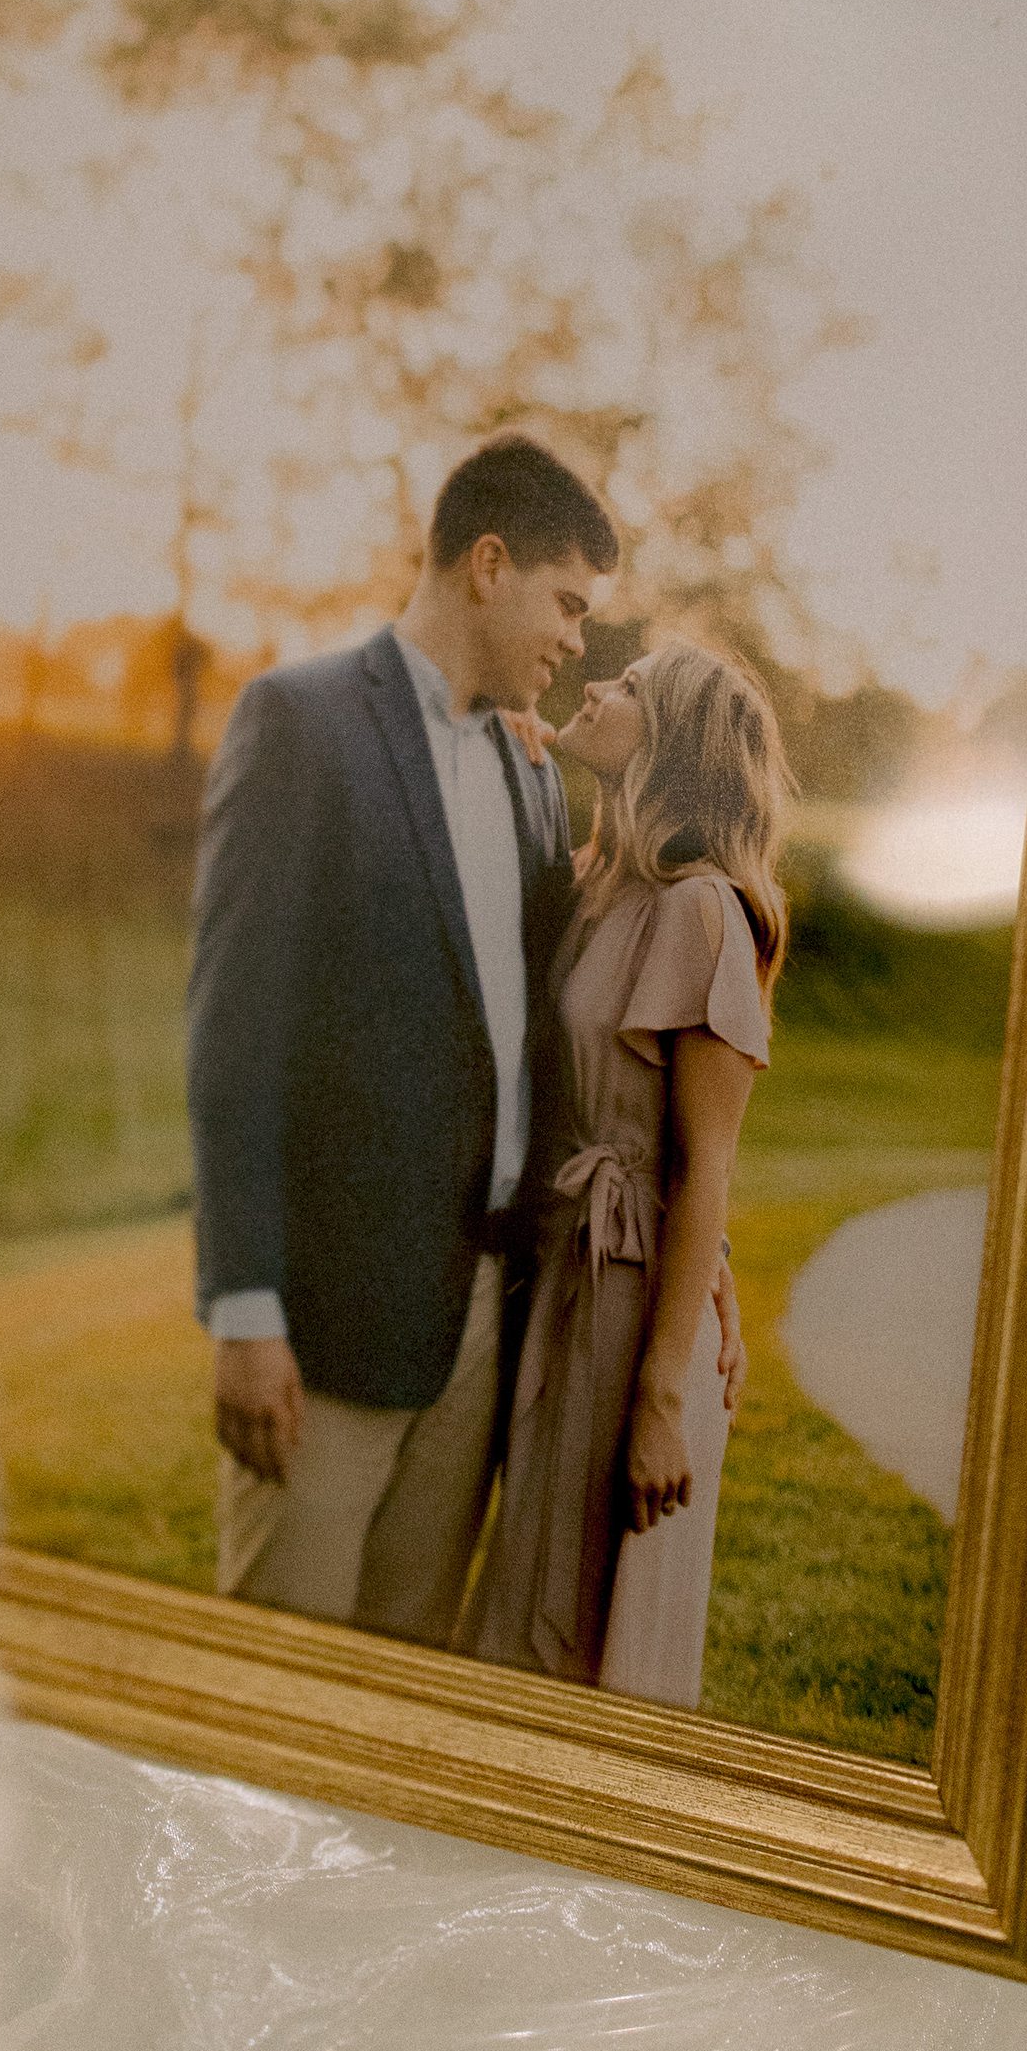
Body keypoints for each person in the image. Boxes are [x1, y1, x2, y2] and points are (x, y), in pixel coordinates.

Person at [187, 435, 621, 1638]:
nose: (580, 639)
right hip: (325, 1330)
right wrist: (244, 1311)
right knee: (276, 1710)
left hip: (482, 1323)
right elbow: (235, 1038)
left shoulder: (535, 774)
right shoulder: (300, 723)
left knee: (404, 1703)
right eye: (568, 602)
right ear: (490, 564)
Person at [464, 638, 785, 1705]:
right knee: (530, 1596)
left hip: (634, 1317)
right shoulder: (605, 885)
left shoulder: (701, 912)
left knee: (587, 1640)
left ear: (674, 740)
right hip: (569, 1278)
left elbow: (707, 1170)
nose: (595, 686)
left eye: (632, 689)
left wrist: (659, 1401)